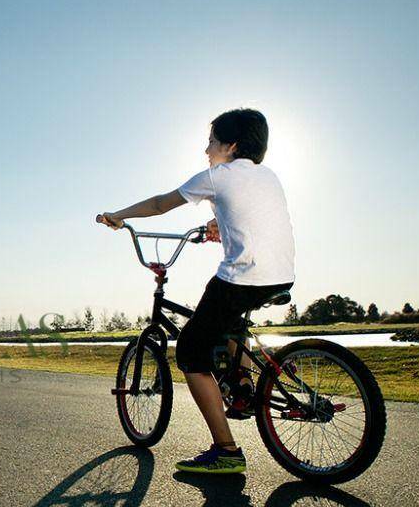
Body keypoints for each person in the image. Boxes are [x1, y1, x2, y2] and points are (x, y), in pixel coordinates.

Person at [98, 108, 295, 474]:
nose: (207, 150)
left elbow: (160, 204)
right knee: (228, 323)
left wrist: (119, 215)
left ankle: (226, 451)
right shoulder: (267, 176)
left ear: (230, 145)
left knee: (190, 351)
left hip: (244, 275)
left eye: (212, 141)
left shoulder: (217, 176)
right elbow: (252, 213)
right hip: (281, 274)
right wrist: (215, 224)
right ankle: (244, 386)